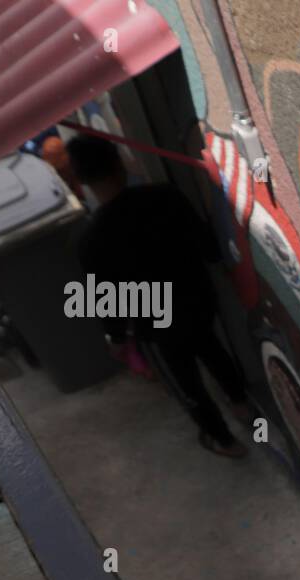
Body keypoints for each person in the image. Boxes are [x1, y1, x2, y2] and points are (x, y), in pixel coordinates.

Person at [65, 134, 252, 458]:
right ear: (119, 164)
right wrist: (218, 264)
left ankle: (225, 441)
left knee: (186, 381)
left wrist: (116, 337)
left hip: (156, 323)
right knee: (213, 349)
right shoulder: (165, 196)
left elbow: (108, 297)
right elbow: (204, 242)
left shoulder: (91, 239)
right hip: (197, 301)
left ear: (81, 180)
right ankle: (242, 406)